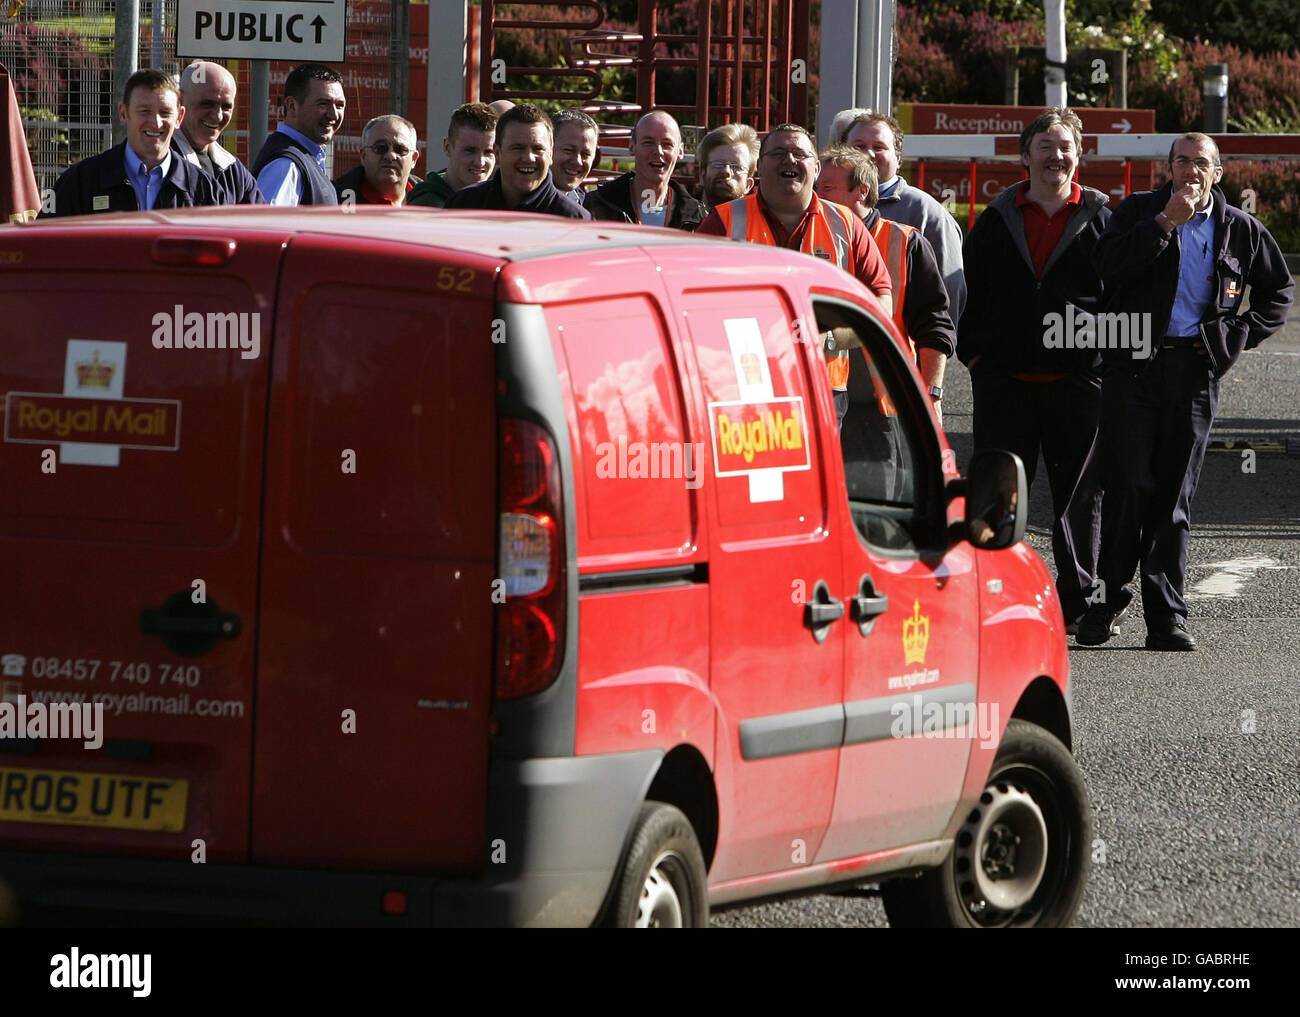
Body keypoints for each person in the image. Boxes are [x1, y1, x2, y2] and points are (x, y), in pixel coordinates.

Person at [1077, 132, 1294, 650]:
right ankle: (1106, 602)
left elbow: (1277, 293)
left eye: (1202, 164)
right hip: (1132, 368)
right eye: (1182, 162)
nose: (1191, 172)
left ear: (1219, 173)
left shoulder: (1239, 229)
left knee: (1174, 498)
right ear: (1168, 168)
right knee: (1128, 485)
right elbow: (1105, 268)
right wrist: (1164, 223)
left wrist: (1231, 339)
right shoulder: (1136, 212)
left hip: (1193, 373)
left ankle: (1166, 616)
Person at [958, 108, 1111, 633]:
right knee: (998, 492)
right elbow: (969, 295)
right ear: (1025, 158)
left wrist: (1101, 359)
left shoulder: (1103, 219)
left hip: (1078, 385)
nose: (1056, 156)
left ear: (1078, 154)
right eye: (1044, 147)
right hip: (1005, 385)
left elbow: (1123, 295)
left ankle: (1082, 603)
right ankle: (995, 597)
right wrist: (976, 358)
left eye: (1065, 146)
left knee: (1082, 498)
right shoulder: (995, 220)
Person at [697, 124, 893, 425]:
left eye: (799, 154)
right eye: (777, 153)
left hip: (824, 389)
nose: (789, 160)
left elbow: (882, 303)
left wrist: (830, 339)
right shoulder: (722, 221)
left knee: (818, 473)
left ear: (816, 168)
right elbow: (693, 303)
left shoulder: (846, 224)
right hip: (741, 385)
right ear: (760, 166)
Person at [815, 144, 954, 420]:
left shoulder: (905, 242)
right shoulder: (809, 237)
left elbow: (934, 325)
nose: (817, 196)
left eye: (827, 188)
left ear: (862, 191)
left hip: (887, 405)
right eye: (817, 188)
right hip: (824, 396)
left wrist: (932, 394)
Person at [840, 111, 966, 320]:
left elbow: (948, 295)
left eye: (879, 147)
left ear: (898, 159)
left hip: (900, 348)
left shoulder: (928, 214)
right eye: (859, 146)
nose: (868, 154)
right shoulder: (824, 203)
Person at [45, 68, 219, 217]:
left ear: (179, 117)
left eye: (165, 113)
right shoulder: (81, 181)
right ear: (123, 113)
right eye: (144, 111)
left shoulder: (203, 189)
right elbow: (45, 242)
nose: (156, 123)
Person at [445, 103, 591, 219]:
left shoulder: (573, 220)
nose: (528, 157)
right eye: (518, 148)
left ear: (551, 154)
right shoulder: (463, 205)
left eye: (538, 148)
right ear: (497, 153)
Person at [585, 110, 705, 230]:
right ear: (632, 146)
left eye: (667, 144)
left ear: (680, 151)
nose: (658, 151)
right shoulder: (598, 204)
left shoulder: (697, 216)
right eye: (648, 143)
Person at [252, 63, 345, 206]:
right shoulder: (285, 165)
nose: (333, 114)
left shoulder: (302, 158)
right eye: (323, 104)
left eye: (339, 105)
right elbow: (270, 225)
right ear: (292, 106)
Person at [174, 60, 263, 204]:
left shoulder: (233, 171)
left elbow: (259, 220)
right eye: (207, 104)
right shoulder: (161, 165)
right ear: (180, 101)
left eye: (226, 107)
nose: (218, 116)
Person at [407, 102, 496, 208]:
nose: (479, 162)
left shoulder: (493, 199)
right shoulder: (427, 205)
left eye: (488, 152)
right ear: (448, 147)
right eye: (470, 150)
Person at [333, 115, 420, 205]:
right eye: (380, 148)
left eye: (400, 150)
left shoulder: (429, 199)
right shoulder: (335, 200)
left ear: (414, 159)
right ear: (363, 155)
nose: (390, 156)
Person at [695, 122, 758, 211]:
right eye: (718, 164)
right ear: (702, 175)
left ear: (748, 185)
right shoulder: (677, 217)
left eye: (737, 167)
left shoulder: (758, 223)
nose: (726, 171)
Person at [549, 108, 600, 205]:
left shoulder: (589, 206)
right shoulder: (521, 203)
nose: (577, 161)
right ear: (548, 147)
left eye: (586, 154)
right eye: (569, 150)